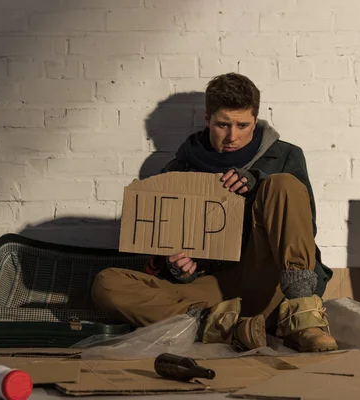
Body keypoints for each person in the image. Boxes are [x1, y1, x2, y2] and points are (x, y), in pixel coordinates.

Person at [92, 73, 338, 352]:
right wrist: (180, 268)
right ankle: (221, 326)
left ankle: (303, 320)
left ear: (255, 121)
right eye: (223, 125)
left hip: (269, 279)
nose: (232, 136)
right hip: (214, 290)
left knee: (283, 184)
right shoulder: (178, 170)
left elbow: (305, 228)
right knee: (107, 284)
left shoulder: (285, 156)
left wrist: (258, 184)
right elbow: (167, 247)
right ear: (207, 118)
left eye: (242, 125)